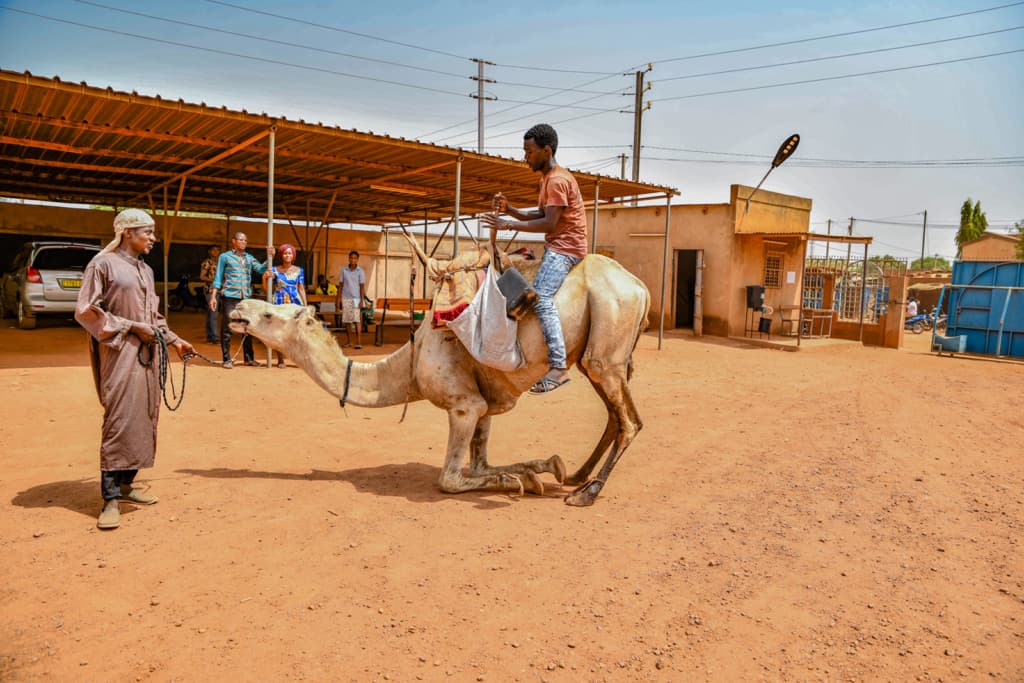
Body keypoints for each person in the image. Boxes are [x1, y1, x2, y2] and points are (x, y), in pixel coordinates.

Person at [74, 208, 195, 530]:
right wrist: (131, 328)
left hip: (148, 354)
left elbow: (153, 317)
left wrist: (174, 340)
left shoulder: (145, 269)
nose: (153, 238)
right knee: (120, 417)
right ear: (127, 233)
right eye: (148, 232)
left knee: (144, 415)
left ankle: (127, 485)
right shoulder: (102, 264)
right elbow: (86, 311)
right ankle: (110, 498)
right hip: (120, 353)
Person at [480, 123, 587, 395]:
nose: (525, 156)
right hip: (557, 245)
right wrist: (512, 210)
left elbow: (549, 224)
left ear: (546, 150)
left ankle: (558, 367)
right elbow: (539, 215)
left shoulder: (558, 180)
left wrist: (507, 225)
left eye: (529, 151)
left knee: (542, 299)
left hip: (566, 248)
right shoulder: (547, 179)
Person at [209, 231, 273, 368]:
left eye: (245, 240)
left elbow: (261, 269)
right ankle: (226, 359)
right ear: (234, 241)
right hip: (229, 297)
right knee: (228, 327)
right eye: (241, 240)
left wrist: (269, 257)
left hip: (245, 298)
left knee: (248, 327)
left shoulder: (249, 258)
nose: (243, 242)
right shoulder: (225, 257)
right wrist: (214, 296)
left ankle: (249, 358)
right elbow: (218, 277)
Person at [263, 243, 307, 368]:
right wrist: (264, 278)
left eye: (290, 253)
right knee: (279, 331)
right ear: (281, 255)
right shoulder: (274, 270)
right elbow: (267, 290)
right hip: (279, 302)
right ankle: (280, 359)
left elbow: (301, 289)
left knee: (296, 332)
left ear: (293, 256)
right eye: (285, 253)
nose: (288, 255)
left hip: (295, 303)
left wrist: (305, 306)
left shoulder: (299, 270)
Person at [336, 250, 367, 349]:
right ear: (348, 258)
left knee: (357, 321)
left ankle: (359, 342)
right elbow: (340, 286)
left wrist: (362, 300)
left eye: (355, 258)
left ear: (357, 260)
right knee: (348, 321)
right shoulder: (344, 270)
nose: (353, 260)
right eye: (351, 258)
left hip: (356, 299)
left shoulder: (360, 272)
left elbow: (362, 287)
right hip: (346, 298)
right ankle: (349, 341)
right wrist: (339, 299)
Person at [199, 244, 221, 343]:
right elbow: (202, 276)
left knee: (211, 314)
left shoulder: (220, 262)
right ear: (210, 252)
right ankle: (214, 337)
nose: (216, 252)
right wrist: (213, 280)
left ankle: (210, 337)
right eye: (214, 250)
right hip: (210, 290)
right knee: (213, 313)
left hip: (219, 290)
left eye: (217, 250)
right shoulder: (207, 262)